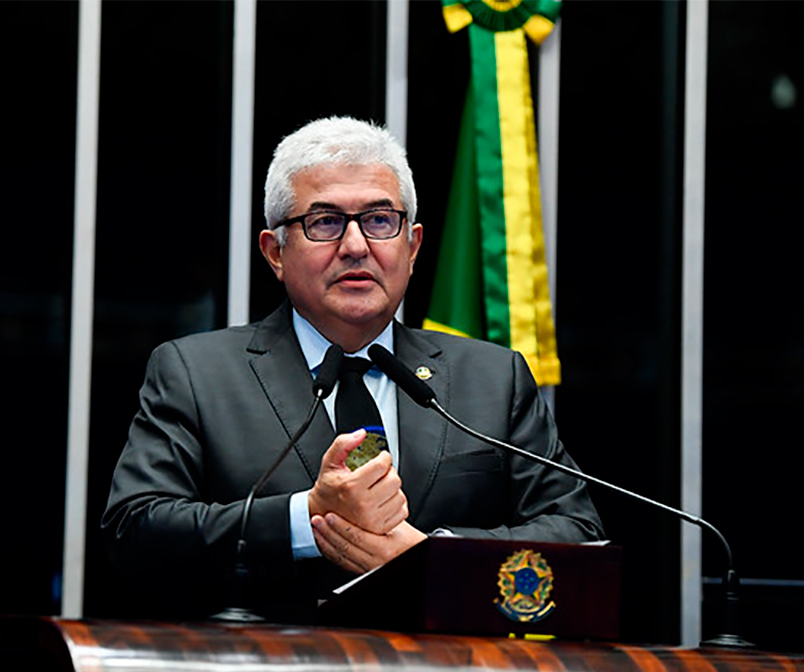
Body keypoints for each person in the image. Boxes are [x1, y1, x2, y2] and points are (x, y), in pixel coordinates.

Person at [102, 117, 603, 621]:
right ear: (275, 252)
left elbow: (579, 536)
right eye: (325, 222)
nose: (357, 246)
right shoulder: (196, 374)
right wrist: (307, 518)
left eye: (381, 220)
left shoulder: (493, 380)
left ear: (412, 245)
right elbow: (135, 530)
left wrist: (432, 556)